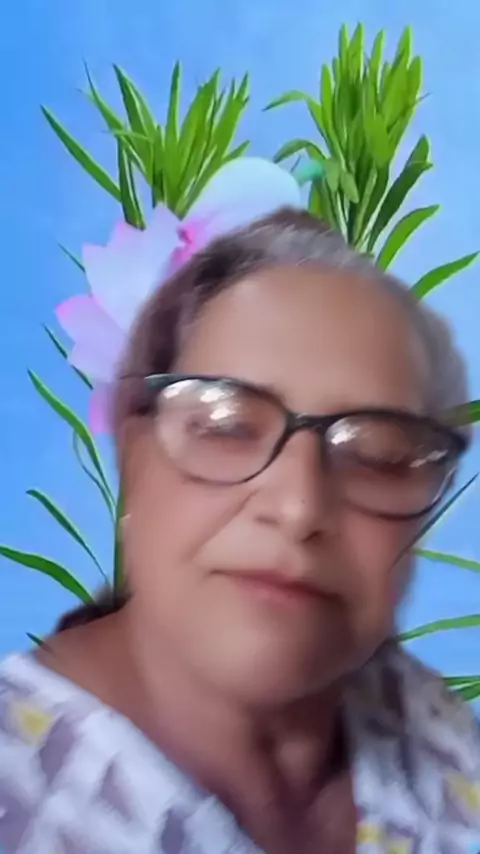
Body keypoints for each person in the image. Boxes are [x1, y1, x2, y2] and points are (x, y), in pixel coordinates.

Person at [0, 208, 479, 854]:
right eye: (226, 425)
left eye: (378, 455)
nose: (299, 507)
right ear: (134, 455)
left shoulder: (428, 720)